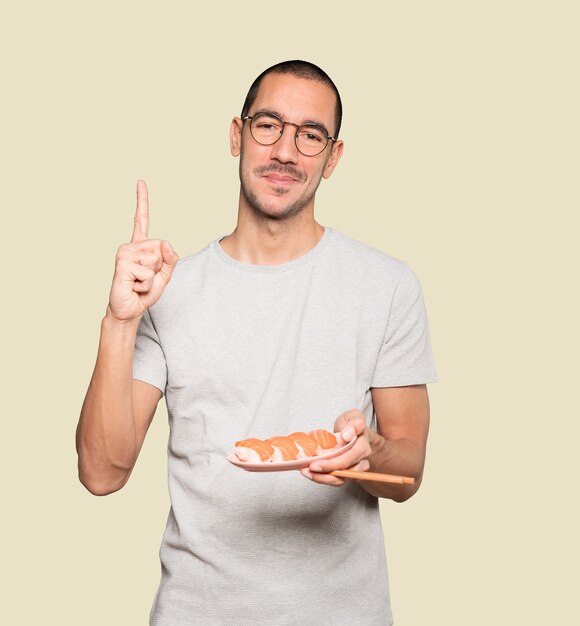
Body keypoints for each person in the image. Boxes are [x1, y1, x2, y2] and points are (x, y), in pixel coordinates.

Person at [76, 60, 437, 626]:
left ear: (333, 157)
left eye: (310, 135)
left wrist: (371, 454)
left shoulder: (386, 285)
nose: (286, 152)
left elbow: (407, 474)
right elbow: (102, 473)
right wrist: (119, 320)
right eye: (268, 125)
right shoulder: (169, 290)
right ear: (236, 135)